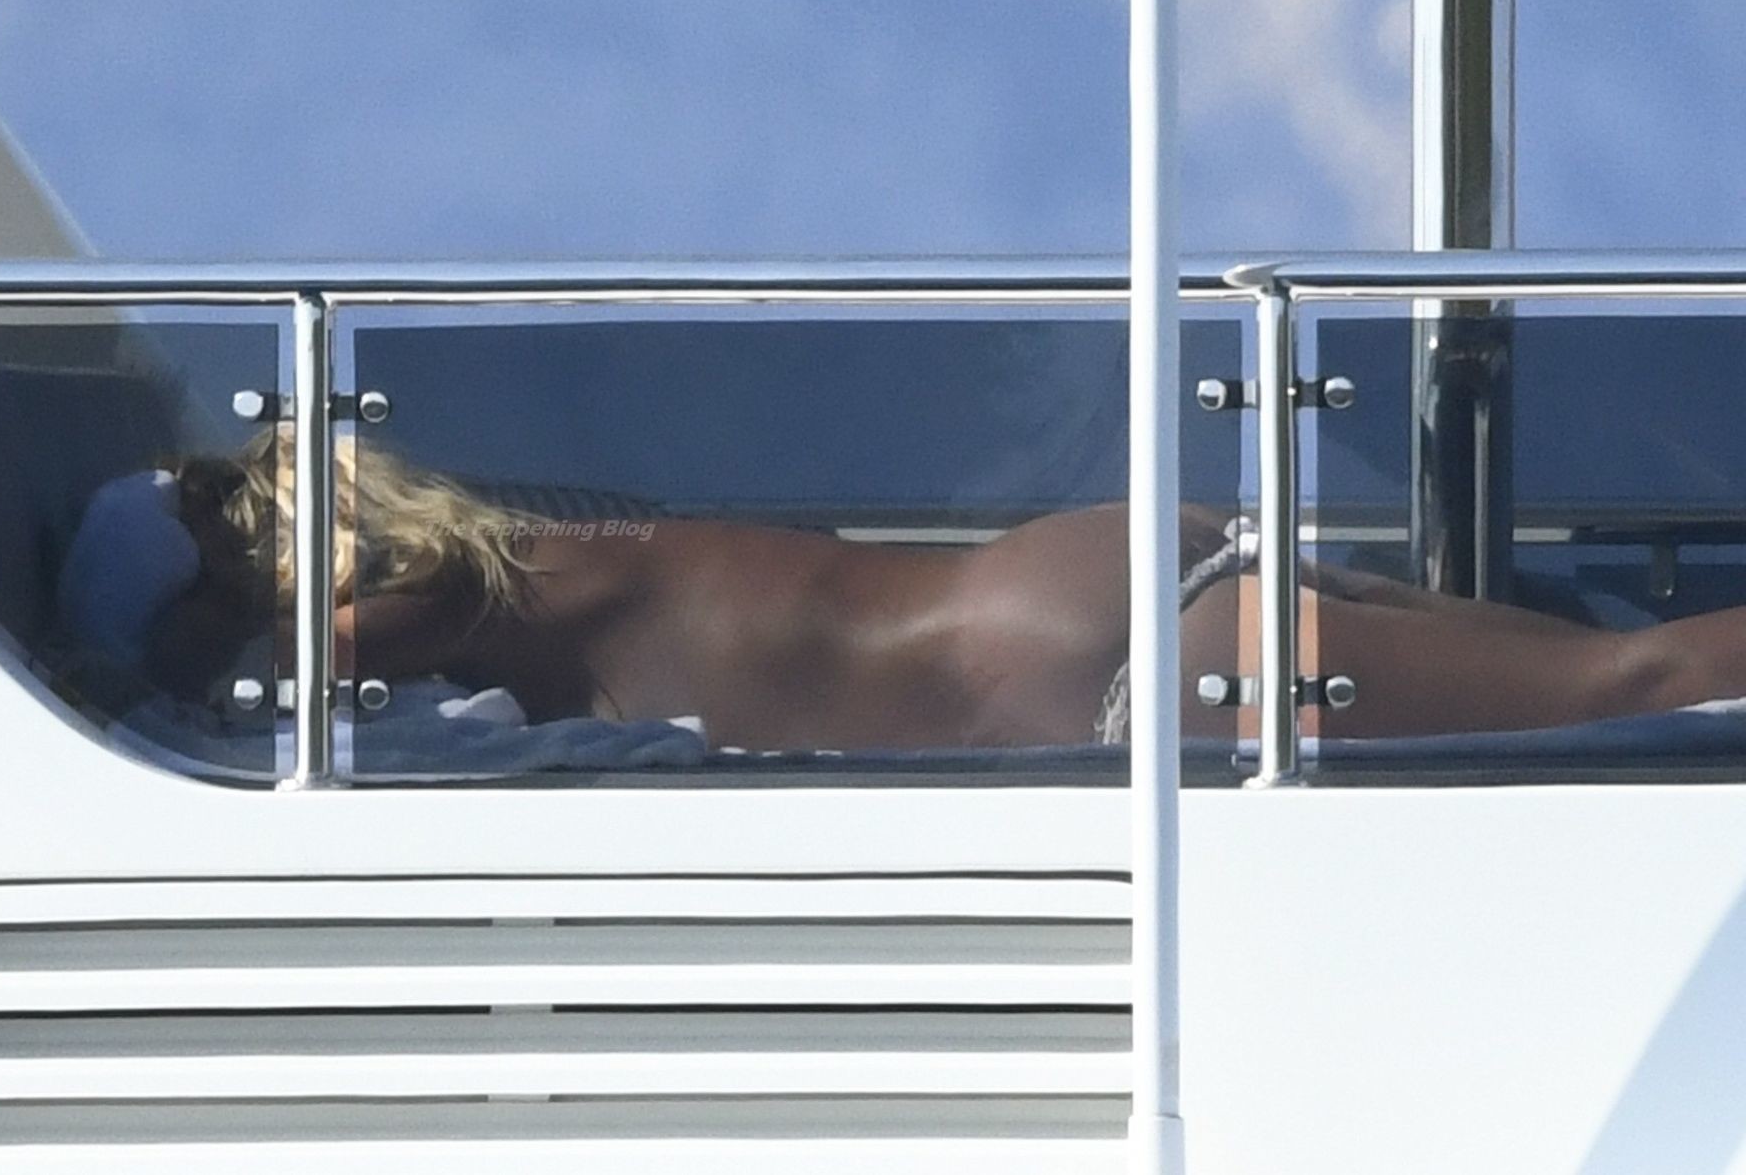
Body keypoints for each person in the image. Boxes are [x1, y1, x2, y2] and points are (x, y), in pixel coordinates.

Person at [135, 427, 1746, 751]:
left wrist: (156, 622)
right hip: (1083, 564)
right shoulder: (523, 549)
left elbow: (213, 683)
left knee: (1634, 690)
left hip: (1075, 663)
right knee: (1620, 677)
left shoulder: (408, 611)